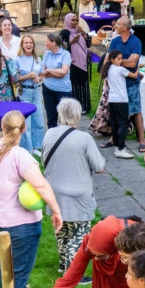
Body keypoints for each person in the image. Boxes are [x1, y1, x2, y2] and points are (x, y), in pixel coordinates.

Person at [0, 110, 62, 288]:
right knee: (19, 270)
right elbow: (41, 186)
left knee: (6, 264)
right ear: (24, 129)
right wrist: (56, 211)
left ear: (2, 128)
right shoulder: (21, 156)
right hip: (21, 226)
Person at [35, 215, 140, 288]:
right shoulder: (92, 241)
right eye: (93, 255)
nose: (96, 259)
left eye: (101, 256)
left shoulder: (134, 242)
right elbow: (71, 276)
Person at [41, 97, 106, 274]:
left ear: (60, 113)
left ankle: (63, 265)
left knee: (61, 232)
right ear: (77, 115)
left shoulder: (49, 134)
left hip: (54, 193)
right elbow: (99, 167)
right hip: (79, 196)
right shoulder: (84, 138)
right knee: (79, 235)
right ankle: (73, 272)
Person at [108, 17, 145, 150]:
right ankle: (114, 138)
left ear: (125, 27)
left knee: (136, 110)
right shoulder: (114, 41)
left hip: (130, 83)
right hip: (116, 84)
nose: (115, 26)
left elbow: (133, 63)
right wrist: (124, 60)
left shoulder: (136, 42)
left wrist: (117, 60)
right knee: (115, 113)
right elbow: (108, 59)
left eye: (118, 24)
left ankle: (142, 139)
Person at [104, 50, 139, 159]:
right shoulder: (120, 70)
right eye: (118, 59)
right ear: (112, 59)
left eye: (121, 58)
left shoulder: (108, 69)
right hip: (121, 100)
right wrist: (139, 66)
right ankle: (121, 148)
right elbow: (134, 75)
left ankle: (116, 146)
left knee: (114, 124)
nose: (121, 61)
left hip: (112, 99)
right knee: (123, 123)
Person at [14, 34, 46, 153]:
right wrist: (28, 76)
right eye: (26, 43)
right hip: (24, 92)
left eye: (31, 43)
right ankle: (27, 148)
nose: (29, 45)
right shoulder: (17, 60)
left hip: (37, 91)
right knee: (26, 123)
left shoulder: (38, 58)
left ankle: (37, 146)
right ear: (22, 45)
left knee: (39, 121)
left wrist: (40, 78)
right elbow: (15, 78)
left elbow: (42, 74)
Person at [40, 32, 73, 128]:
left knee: (66, 118)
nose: (45, 43)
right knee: (51, 117)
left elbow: (64, 72)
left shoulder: (65, 54)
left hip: (63, 90)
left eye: (46, 42)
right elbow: (43, 72)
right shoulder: (47, 53)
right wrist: (56, 74)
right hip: (48, 89)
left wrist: (49, 71)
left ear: (53, 43)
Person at [63, 13, 91, 113]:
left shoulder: (80, 32)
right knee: (75, 85)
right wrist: (72, 41)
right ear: (68, 21)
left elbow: (89, 43)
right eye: (72, 20)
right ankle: (76, 107)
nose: (75, 22)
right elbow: (61, 47)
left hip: (83, 61)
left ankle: (85, 106)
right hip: (73, 63)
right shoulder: (64, 33)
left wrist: (83, 33)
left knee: (84, 84)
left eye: (76, 20)